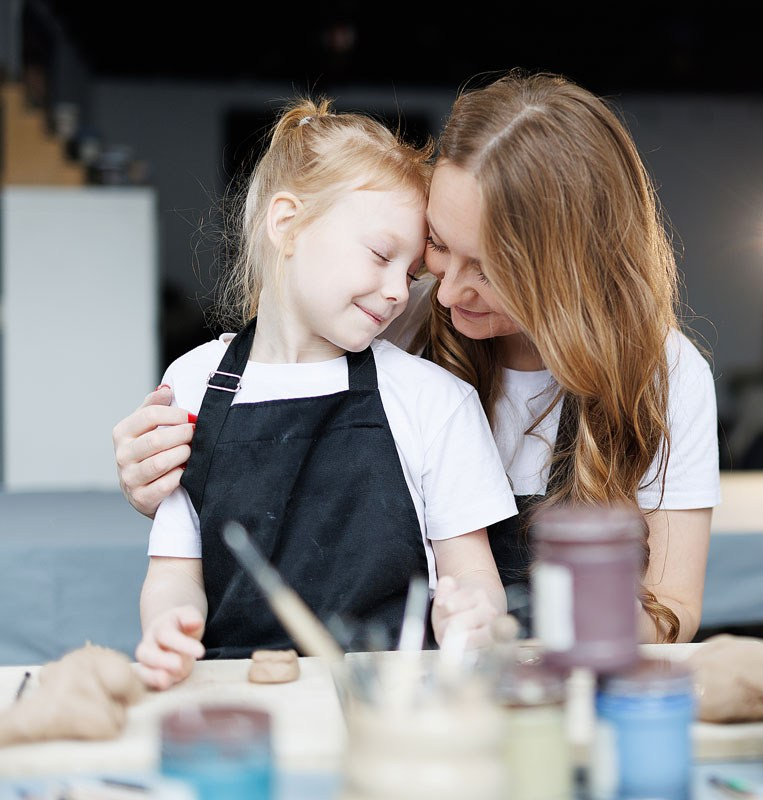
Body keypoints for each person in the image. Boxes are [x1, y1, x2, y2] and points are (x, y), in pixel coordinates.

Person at [114, 71, 719, 646]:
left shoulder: (663, 375)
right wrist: (164, 476)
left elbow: (673, 610)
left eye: (488, 270)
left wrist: (535, 629)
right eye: (438, 244)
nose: (444, 293)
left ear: (569, 269)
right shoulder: (388, 318)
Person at [133, 97, 516, 690]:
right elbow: (176, 574)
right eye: (380, 255)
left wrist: (473, 614)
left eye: (411, 273)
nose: (397, 293)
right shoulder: (192, 383)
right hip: (243, 692)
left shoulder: (434, 400)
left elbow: (472, 576)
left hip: (390, 699)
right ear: (287, 223)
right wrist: (168, 628)